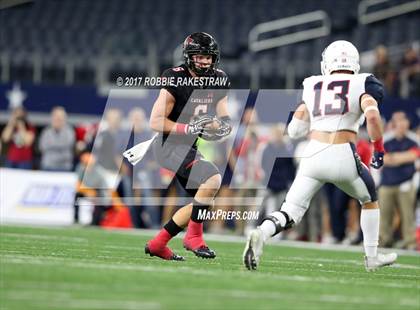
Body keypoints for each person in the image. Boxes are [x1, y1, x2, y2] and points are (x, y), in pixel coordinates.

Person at [243, 40, 397, 272]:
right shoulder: (362, 82)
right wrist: (379, 148)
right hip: (343, 151)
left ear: (328, 62)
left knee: (290, 210)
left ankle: (262, 233)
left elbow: (294, 130)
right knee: (369, 200)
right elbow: (373, 116)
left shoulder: (313, 84)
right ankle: (372, 257)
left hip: (312, 154)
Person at [144, 32, 231, 260]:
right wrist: (189, 128)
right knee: (212, 179)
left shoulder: (219, 78)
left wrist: (220, 125)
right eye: (199, 56)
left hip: (188, 147)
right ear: (188, 56)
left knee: (202, 201)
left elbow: (225, 117)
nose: (204, 61)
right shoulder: (175, 77)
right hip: (168, 145)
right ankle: (193, 238)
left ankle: (158, 243)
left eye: (208, 57)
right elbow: (155, 121)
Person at [379, 111, 419, 249]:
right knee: (384, 215)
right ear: (393, 123)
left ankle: (410, 242)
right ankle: (384, 240)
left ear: (407, 123)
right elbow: (381, 159)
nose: (401, 124)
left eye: (403, 121)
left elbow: (412, 156)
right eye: (397, 121)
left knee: (408, 215)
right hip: (387, 182)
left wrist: (394, 158)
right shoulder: (385, 139)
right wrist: (400, 158)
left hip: (406, 183)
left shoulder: (413, 140)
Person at [39, 106, 75, 171]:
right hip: (48, 166)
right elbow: (42, 147)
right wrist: (60, 147)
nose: (58, 119)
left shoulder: (69, 131)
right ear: (52, 117)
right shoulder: (46, 132)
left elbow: (68, 145)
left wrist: (52, 146)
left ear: (64, 118)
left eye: (60, 117)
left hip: (65, 167)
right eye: (56, 116)